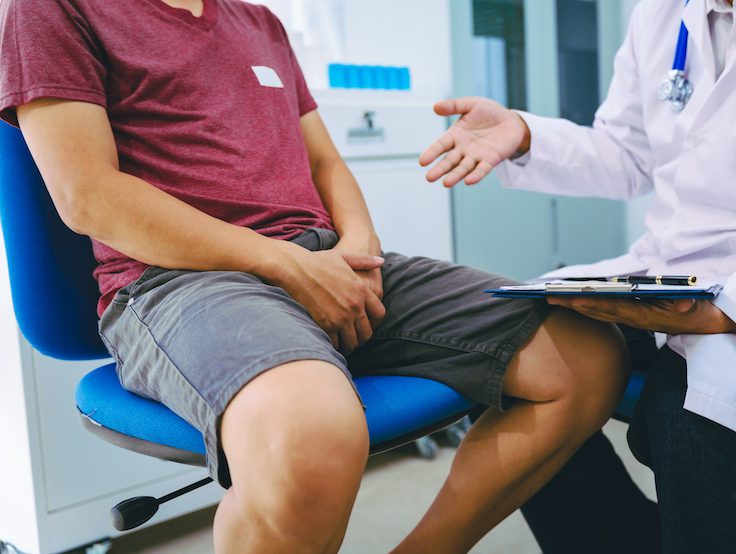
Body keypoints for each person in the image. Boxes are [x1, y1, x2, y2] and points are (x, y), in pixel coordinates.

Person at [0, 0, 634, 552]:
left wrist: (360, 247)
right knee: (311, 438)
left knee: (582, 355)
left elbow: (327, 163)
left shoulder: (260, 24)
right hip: (180, 280)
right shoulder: (52, 8)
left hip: (322, 255)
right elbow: (87, 195)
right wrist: (286, 265)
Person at [421, 0, 736, 552]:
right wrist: (526, 134)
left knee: (693, 411)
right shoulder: (660, 14)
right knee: (505, 346)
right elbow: (626, 154)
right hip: (672, 270)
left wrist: (735, 306)